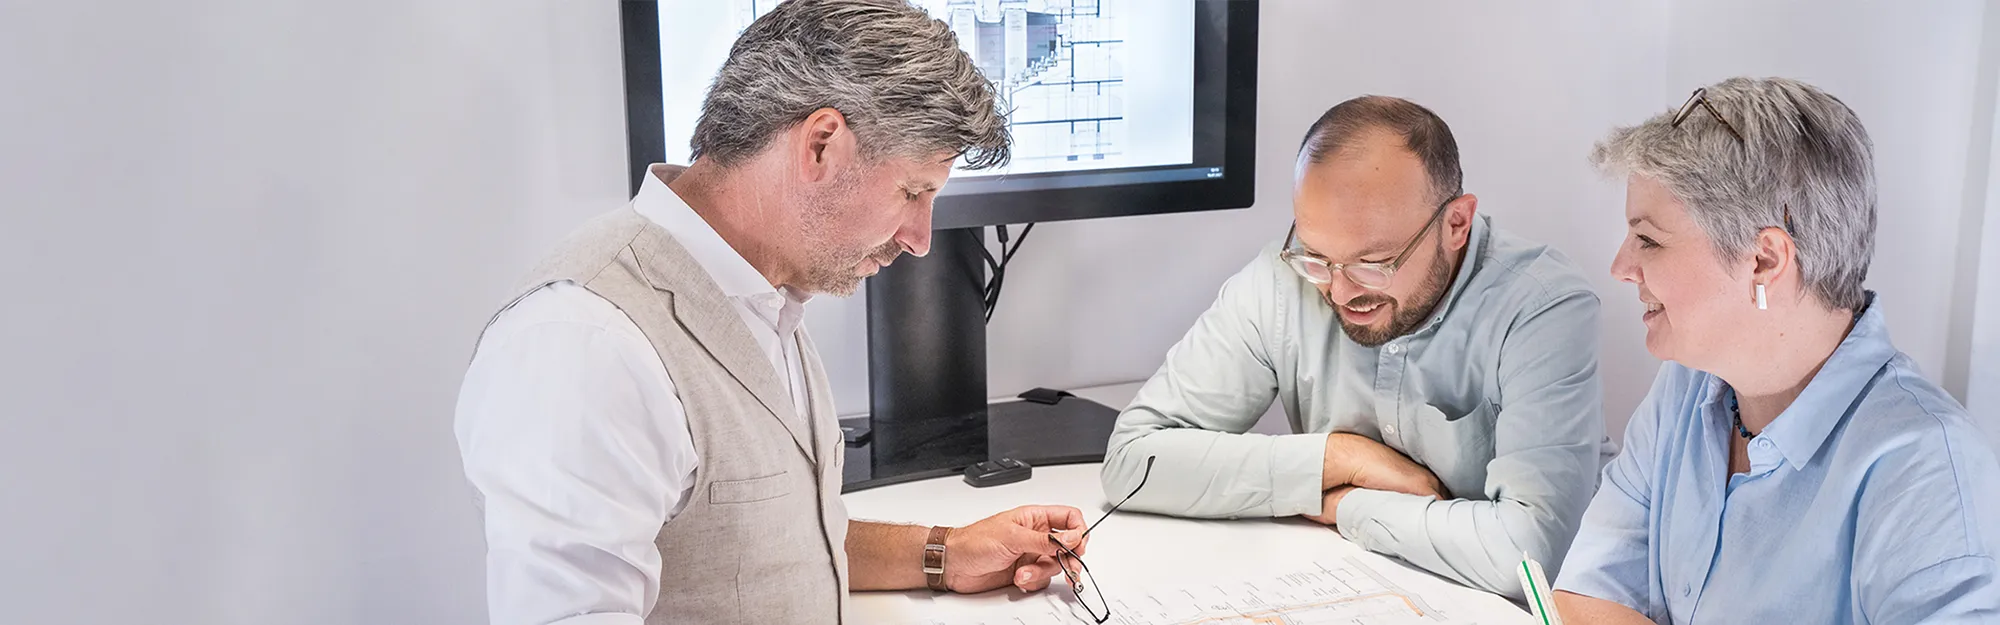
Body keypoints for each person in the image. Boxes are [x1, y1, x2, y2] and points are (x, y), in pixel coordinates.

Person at [453, 1, 1089, 623]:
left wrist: (942, 553)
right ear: (821, 145)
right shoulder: (587, 346)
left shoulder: (760, 293)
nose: (920, 239)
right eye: (912, 192)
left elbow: (767, 540)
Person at [1100, 95, 1607, 599]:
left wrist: (1344, 505)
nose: (1340, 292)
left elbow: (1530, 555)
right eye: (1317, 255)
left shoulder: (1541, 306)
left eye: (1374, 263)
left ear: (1456, 223)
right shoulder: (1283, 278)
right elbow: (1132, 462)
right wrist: (1338, 458)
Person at [1554, 77, 2000, 623]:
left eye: (1647, 238)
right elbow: (1585, 594)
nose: (1620, 267)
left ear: (1765, 260)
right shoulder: (1686, 387)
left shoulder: (1925, 466)